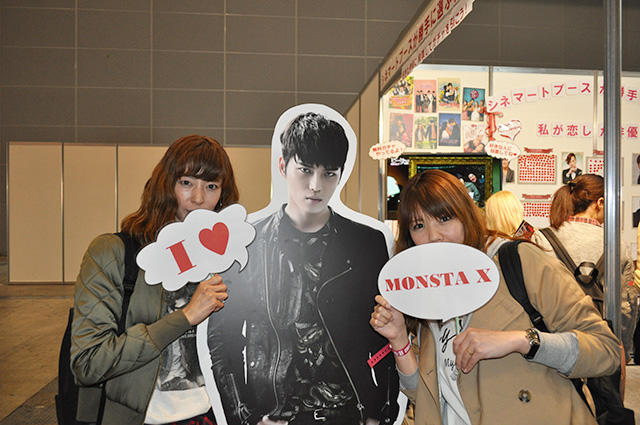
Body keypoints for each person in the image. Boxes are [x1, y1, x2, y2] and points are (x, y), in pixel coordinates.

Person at [370, 169, 621, 425]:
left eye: (444, 218)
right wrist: (399, 339)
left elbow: (606, 351)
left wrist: (522, 341)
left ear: (466, 214)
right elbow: (428, 397)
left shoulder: (519, 261)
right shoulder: (425, 294)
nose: (434, 236)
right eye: (419, 225)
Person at [208, 112, 399, 425]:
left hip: (349, 414)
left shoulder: (366, 243)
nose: (315, 185)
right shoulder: (246, 244)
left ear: (340, 175)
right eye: (306, 170)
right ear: (283, 166)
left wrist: (381, 412)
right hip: (275, 416)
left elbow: (381, 337)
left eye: (329, 174)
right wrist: (246, 418)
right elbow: (223, 340)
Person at [70, 135, 239, 425]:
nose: (199, 199)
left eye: (211, 186)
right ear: (165, 185)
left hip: (214, 416)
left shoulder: (229, 259)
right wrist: (184, 317)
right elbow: (88, 362)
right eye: (186, 183)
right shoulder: (114, 253)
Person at [538, 174, 636, 359]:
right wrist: (622, 347)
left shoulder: (542, 239)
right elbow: (626, 306)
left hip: (553, 346)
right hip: (599, 349)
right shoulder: (617, 246)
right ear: (600, 203)